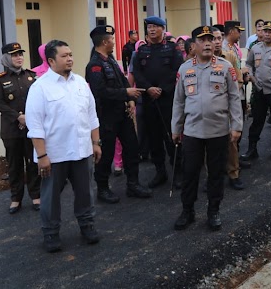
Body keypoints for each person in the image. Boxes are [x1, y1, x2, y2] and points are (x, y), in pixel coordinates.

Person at [25, 40, 102, 253]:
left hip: (82, 150)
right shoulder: (39, 87)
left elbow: (92, 115)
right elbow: (35, 125)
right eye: (64, 56)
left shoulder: (80, 83)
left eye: (70, 54)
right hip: (54, 154)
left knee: (85, 192)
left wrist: (96, 143)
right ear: (51, 61)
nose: (70, 59)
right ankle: (51, 233)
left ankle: (87, 226)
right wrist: (42, 156)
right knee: (50, 198)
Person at [172, 26, 243, 231]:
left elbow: (234, 98)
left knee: (216, 174)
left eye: (210, 40)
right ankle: (188, 211)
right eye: (202, 40)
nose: (207, 44)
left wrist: (236, 126)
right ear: (193, 45)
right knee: (190, 173)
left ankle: (214, 211)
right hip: (192, 131)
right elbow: (179, 101)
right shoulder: (185, 69)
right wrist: (176, 128)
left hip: (218, 131)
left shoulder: (225, 66)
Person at [86, 26, 152, 204]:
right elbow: (100, 91)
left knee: (131, 148)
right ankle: (103, 189)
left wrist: (129, 99)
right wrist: (126, 93)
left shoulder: (111, 60)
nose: (114, 42)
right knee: (106, 154)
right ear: (104, 42)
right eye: (112, 40)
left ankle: (133, 184)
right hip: (106, 116)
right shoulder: (94, 65)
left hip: (122, 113)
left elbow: (123, 80)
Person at [131, 16, 184, 188]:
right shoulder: (141, 51)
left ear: (163, 29)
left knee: (171, 137)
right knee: (154, 138)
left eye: (155, 27)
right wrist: (148, 88)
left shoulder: (173, 49)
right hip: (149, 100)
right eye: (149, 27)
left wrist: (161, 89)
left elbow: (177, 71)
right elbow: (137, 73)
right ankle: (160, 172)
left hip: (167, 100)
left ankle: (177, 172)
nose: (152, 30)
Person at [0, 42, 40, 214]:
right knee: (14, 165)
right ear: (6, 58)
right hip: (11, 130)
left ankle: (36, 195)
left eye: (20, 54)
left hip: (31, 128)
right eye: (14, 55)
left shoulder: (31, 76)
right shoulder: (0, 80)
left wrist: (29, 117)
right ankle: (16, 198)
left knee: (33, 163)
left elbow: (38, 99)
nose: (19, 57)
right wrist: (18, 117)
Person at [242, 21, 271, 162]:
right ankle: (252, 149)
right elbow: (249, 64)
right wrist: (251, 76)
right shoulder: (255, 48)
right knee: (257, 121)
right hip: (259, 90)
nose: (267, 34)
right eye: (265, 31)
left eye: (270, 31)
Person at [212, 25, 245, 188]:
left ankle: (233, 174)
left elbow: (239, 81)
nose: (217, 42)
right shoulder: (199, 60)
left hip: (227, 108)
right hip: (209, 111)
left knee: (231, 143)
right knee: (210, 146)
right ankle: (213, 176)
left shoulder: (230, 57)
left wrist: (228, 97)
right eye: (213, 39)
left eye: (219, 38)